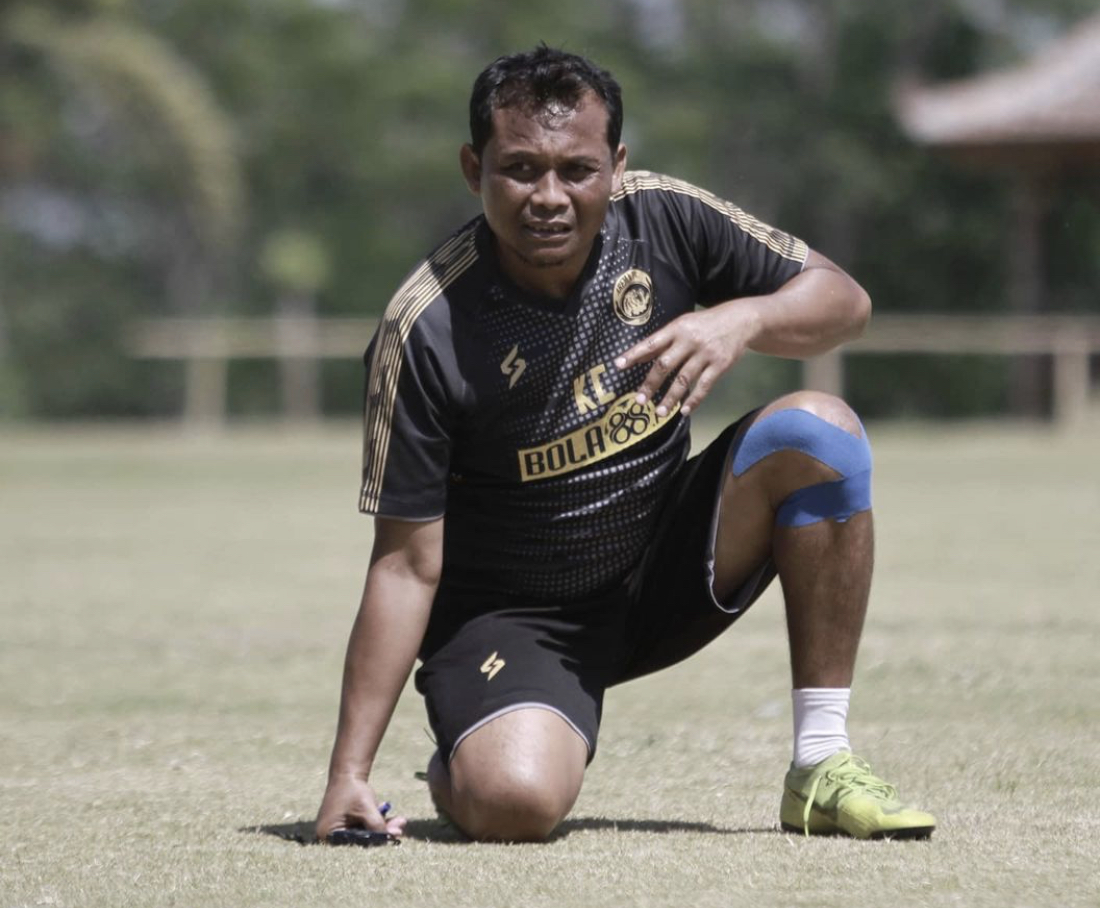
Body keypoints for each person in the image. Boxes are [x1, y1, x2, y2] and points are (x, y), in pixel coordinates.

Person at [315, 45, 936, 844]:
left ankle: (820, 764)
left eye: (576, 170)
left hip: (658, 568)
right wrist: (346, 778)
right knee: (514, 807)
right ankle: (468, 757)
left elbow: (844, 302)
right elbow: (405, 564)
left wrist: (739, 318)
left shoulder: (666, 218)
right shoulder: (426, 328)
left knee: (819, 431)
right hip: (516, 617)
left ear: (616, 165)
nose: (549, 196)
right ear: (473, 168)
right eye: (519, 169)